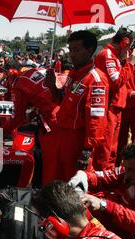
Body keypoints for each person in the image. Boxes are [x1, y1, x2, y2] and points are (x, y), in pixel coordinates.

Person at [46, 30, 109, 181]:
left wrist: (87, 150)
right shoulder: (73, 74)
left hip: (78, 141)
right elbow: (63, 101)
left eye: (76, 50)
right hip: (62, 134)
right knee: (58, 182)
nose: (72, 54)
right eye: (70, 50)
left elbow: (96, 119)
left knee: (75, 187)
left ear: (89, 50)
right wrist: (53, 88)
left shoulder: (96, 79)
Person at [94, 28, 135, 169]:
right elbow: (116, 81)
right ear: (125, 42)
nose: (130, 50)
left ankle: (108, 177)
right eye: (130, 46)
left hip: (116, 107)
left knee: (112, 148)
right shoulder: (108, 55)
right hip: (110, 107)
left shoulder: (114, 56)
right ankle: (100, 182)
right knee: (105, 150)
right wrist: (130, 64)